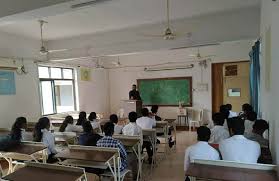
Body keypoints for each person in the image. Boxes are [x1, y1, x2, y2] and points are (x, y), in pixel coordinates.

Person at [122, 112, 142, 180]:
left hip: (125, 149)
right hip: (135, 149)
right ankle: (136, 175)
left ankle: (129, 173)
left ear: (128, 118)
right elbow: (141, 142)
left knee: (132, 155)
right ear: (136, 118)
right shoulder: (139, 128)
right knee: (134, 156)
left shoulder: (125, 127)